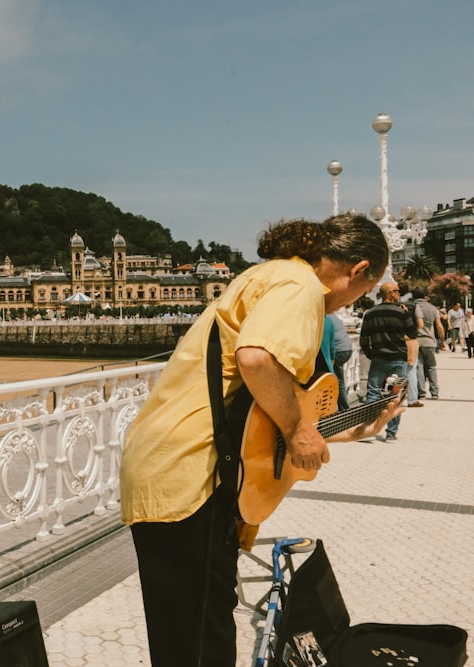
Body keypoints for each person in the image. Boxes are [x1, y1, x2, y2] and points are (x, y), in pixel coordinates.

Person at [119, 213, 401, 667]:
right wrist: (298, 430)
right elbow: (257, 359)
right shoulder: (299, 285)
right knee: (198, 638)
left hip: (176, 464)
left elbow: (258, 413)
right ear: (357, 270)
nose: (354, 301)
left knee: (190, 627)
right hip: (192, 473)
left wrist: (351, 427)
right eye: (364, 291)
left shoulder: (272, 274)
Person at [358, 281, 418, 440]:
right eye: (397, 291)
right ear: (390, 293)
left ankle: (368, 431)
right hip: (398, 359)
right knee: (395, 396)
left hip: (378, 358)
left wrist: (371, 354)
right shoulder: (401, 313)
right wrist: (407, 314)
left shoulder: (370, 313)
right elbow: (412, 334)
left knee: (372, 393)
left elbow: (363, 338)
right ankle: (391, 433)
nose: (399, 294)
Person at [411, 287, 445, 400]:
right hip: (429, 341)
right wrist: (443, 340)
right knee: (431, 367)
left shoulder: (411, 306)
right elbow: (439, 326)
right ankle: (435, 392)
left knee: (418, 367)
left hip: (414, 341)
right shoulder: (432, 308)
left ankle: (421, 393)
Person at [328, 312, 354, 411]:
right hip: (346, 348)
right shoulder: (331, 314)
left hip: (338, 350)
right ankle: (343, 409)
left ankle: (341, 409)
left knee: (335, 380)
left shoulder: (323, 315)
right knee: (339, 380)